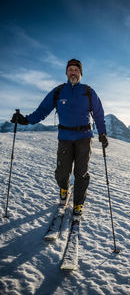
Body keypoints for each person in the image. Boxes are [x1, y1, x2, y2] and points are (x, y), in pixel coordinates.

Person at [11, 58, 108, 216]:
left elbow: (98, 113)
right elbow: (42, 110)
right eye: (70, 70)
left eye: (76, 70)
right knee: (62, 172)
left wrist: (102, 133)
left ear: (80, 73)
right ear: (66, 73)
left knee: (81, 173)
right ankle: (64, 189)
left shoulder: (88, 91)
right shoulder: (58, 91)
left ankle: (78, 204)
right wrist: (26, 119)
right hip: (65, 137)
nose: (73, 72)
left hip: (84, 138)